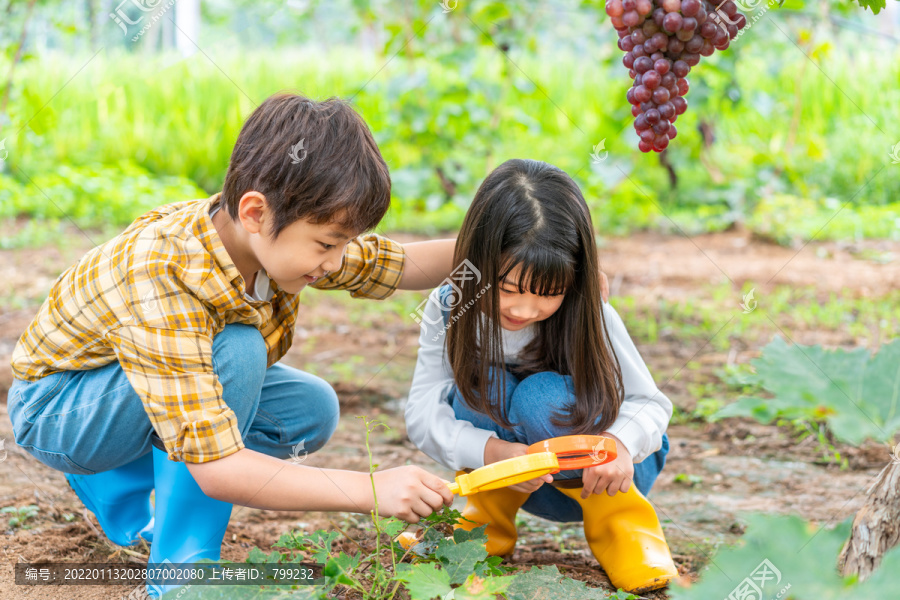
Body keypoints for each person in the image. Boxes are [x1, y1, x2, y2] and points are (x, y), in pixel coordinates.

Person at [7, 93, 457, 596]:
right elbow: (219, 468)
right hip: (59, 410)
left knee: (309, 409)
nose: (337, 261)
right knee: (238, 351)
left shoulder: (269, 239)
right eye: (330, 244)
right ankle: (183, 566)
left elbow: (393, 266)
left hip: (142, 391)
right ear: (255, 212)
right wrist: (369, 490)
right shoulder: (164, 270)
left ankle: (121, 486)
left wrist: (496, 246)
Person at [403, 158, 678, 593]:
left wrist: (618, 445)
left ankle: (625, 530)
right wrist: (492, 451)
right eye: (507, 288)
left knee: (539, 395)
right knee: (480, 384)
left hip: (605, 475)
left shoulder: (588, 310)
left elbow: (650, 403)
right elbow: (422, 411)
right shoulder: (452, 305)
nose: (524, 309)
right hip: (520, 477)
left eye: (547, 293)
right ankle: (482, 525)